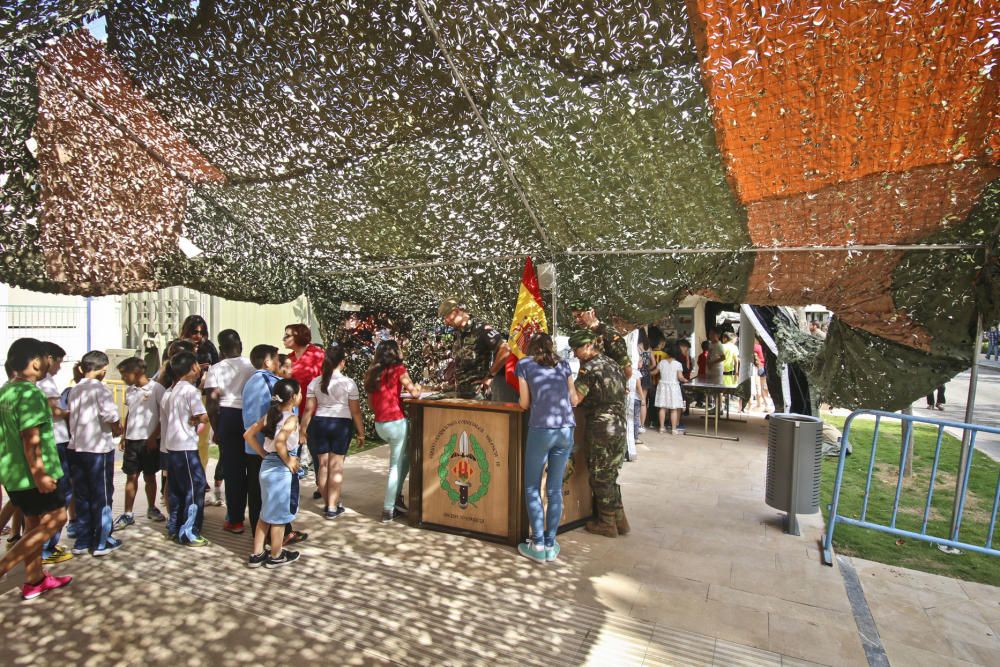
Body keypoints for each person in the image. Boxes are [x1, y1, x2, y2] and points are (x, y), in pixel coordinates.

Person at [0, 338, 73, 600]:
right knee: (58, 518)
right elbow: (30, 437)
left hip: (13, 473)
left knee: (33, 525)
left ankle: (35, 579)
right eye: (45, 358)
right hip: (33, 475)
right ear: (35, 362)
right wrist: (40, 473)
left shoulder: (6, 390)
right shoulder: (31, 394)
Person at [515, 333, 579, 562]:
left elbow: (524, 403)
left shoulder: (523, 365)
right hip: (566, 430)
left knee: (532, 487)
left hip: (541, 429)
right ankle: (551, 543)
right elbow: (574, 400)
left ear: (531, 348)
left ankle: (538, 545)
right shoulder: (563, 365)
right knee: (554, 489)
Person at [569, 329, 629, 538]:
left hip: (601, 426)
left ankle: (606, 523)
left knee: (600, 475)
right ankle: (619, 519)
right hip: (620, 424)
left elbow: (575, 399)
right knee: (610, 473)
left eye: (576, 349)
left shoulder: (589, 369)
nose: (575, 354)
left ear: (587, 346)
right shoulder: (613, 364)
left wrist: (567, 380)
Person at [68, 350, 123, 556]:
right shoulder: (101, 389)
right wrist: (117, 428)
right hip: (98, 449)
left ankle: (82, 541)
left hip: (77, 448)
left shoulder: (75, 388)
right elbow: (110, 415)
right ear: (103, 370)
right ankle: (102, 540)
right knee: (102, 495)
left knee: (82, 495)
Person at [299, 345, 365, 519]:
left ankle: (330, 503)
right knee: (336, 466)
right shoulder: (348, 383)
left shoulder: (315, 382)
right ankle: (332, 507)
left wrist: (302, 430)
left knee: (322, 466)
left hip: (319, 423)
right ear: (342, 362)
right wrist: (361, 432)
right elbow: (355, 411)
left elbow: (308, 410)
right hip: (341, 424)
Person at [243, 378, 302, 568]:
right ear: (293, 397)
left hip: (267, 466)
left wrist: (263, 454)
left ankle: (257, 553)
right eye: (299, 392)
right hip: (280, 470)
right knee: (279, 516)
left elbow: (248, 435)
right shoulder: (291, 418)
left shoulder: (270, 416)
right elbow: (279, 442)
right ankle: (276, 555)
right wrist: (289, 460)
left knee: (266, 512)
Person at [365, 340, 423, 522]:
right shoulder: (399, 370)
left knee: (405, 458)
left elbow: (370, 403)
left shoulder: (371, 372)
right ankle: (388, 509)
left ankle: (396, 497)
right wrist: (419, 388)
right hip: (396, 422)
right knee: (395, 467)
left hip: (380, 424)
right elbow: (414, 393)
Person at [203, 330, 255, 534]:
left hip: (227, 418)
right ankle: (258, 517)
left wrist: (216, 429)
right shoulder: (252, 367)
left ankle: (235, 520)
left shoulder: (216, 369)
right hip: (249, 418)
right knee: (253, 468)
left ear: (221, 349)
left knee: (233, 472)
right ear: (240, 345)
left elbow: (212, 403)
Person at [161, 351, 210, 546]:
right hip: (186, 447)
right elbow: (203, 416)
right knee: (195, 487)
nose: (199, 368)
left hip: (172, 447)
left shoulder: (171, 391)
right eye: (197, 365)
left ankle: (174, 527)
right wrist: (198, 418)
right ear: (191, 368)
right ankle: (189, 531)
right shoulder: (190, 391)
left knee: (176, 489)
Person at [114, 357, 166, 529]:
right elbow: (131, 413)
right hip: (132, 441)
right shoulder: (130, 391)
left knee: (150, 476)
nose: (122, 379)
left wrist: (153, 437)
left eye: (124, 375)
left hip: (149, 442)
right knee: (131, 476)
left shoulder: (157, 389)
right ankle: (128, 512)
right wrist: (124, 436)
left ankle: (152, 508)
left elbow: (162, 416)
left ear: (136, 372)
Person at [36, 342, 74, 564]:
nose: (60, 366)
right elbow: (55, 410)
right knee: (61, 495)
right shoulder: (47, 383)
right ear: (48, 358)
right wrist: (72, 412)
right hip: (57, 442)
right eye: (59, 361)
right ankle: (46, 547)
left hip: (49, 442)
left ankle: (42, 545)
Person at [438, 296, 511, 400]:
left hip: (478, 396)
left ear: (456, 311)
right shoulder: (459, 333)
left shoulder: (481, 329)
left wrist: (489, 377)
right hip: (461, 395)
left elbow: (505, 350)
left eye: (446, 317)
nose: (445, 322)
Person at [569, 299, 632, 379]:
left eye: (580, 315)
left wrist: (619, 388)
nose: (577, 320)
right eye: (575, 317)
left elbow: (627, 370)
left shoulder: (609, 335)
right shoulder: (584, 335)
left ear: (592, 312)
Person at [655, 344, 689, 434]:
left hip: (663, 387)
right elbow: (680, 377)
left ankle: (662, 428)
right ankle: (674, 429)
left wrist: (646, 372)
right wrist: (685, 380)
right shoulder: (678, 364)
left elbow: (655, 372)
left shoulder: (662, 362)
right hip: (673, 387)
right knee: (673, 409)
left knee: (662, 408)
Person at [752, 336, 770, 411]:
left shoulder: (755, 347)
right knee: (764, 387)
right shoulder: (763, 347)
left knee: (759, 387)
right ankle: (764, 404)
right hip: (765, 367)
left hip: (759, 368)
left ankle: (764, 405)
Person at [676, 339, 693, 416]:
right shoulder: (679, 357)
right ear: (681, 347)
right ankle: (679, 414)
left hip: (686, 378)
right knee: (680, 397)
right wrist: (686, 358)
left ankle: (687, 409)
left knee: (686, 396)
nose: (687, 350)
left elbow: (689, 368)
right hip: (680, 379)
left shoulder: (687, 356)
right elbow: (686, 368)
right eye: (687, 348)